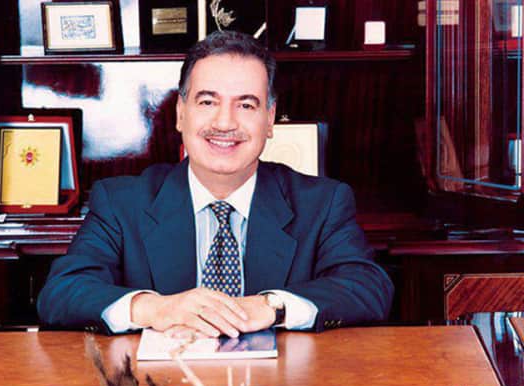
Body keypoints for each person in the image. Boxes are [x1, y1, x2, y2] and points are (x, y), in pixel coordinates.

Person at [37, 30, 394, 336]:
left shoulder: (322, 202)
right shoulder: (121, 202)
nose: (225, 123)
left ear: (269, 119)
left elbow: (368, 287)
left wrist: (273, 307)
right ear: (181, 113)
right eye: (208, 101)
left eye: (246, 105)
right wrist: (155, 308)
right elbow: (62, 292)